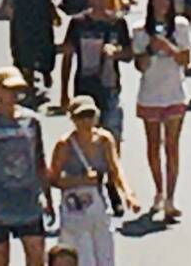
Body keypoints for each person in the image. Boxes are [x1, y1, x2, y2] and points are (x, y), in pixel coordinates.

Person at [0, 67, 52, 266]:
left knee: (36, 254)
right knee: (0, 258)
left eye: (17, 90)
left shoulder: (31, 121)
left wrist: (47, 197)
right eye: (8, 89)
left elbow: (39, 160)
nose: (13, 95)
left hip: (28, 203)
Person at [48, 97, 133, 266]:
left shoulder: (104, 140)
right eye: (81, 116)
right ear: (73, 119)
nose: (86, 121)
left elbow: (115, 169)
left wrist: (128, 194)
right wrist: (80, 181)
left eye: (90, 115)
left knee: (105, 256)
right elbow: (53, 179)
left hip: (98, 207)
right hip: (74, 210)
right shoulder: (64, 145)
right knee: (81, 258)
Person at [131, 0, 188, 221]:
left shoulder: (181, 26)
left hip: (174, 93)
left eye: (166, 0)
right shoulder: (140, 30)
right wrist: (150, 50)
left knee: (172, 146)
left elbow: (185, 59)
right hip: (151, 95)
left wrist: (169, 47)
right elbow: (139, 65)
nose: (162, 4)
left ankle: (170, 198)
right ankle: (158, 189)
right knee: (153, 145)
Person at [58, 0, 130, 139]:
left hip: (110, 86)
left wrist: (116, 53)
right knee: (86, 135)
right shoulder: (78, 22)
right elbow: (68, 54)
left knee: (111, 134)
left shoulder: (117, 23)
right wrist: (64, 92)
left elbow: (129, 54)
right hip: (85, 87)